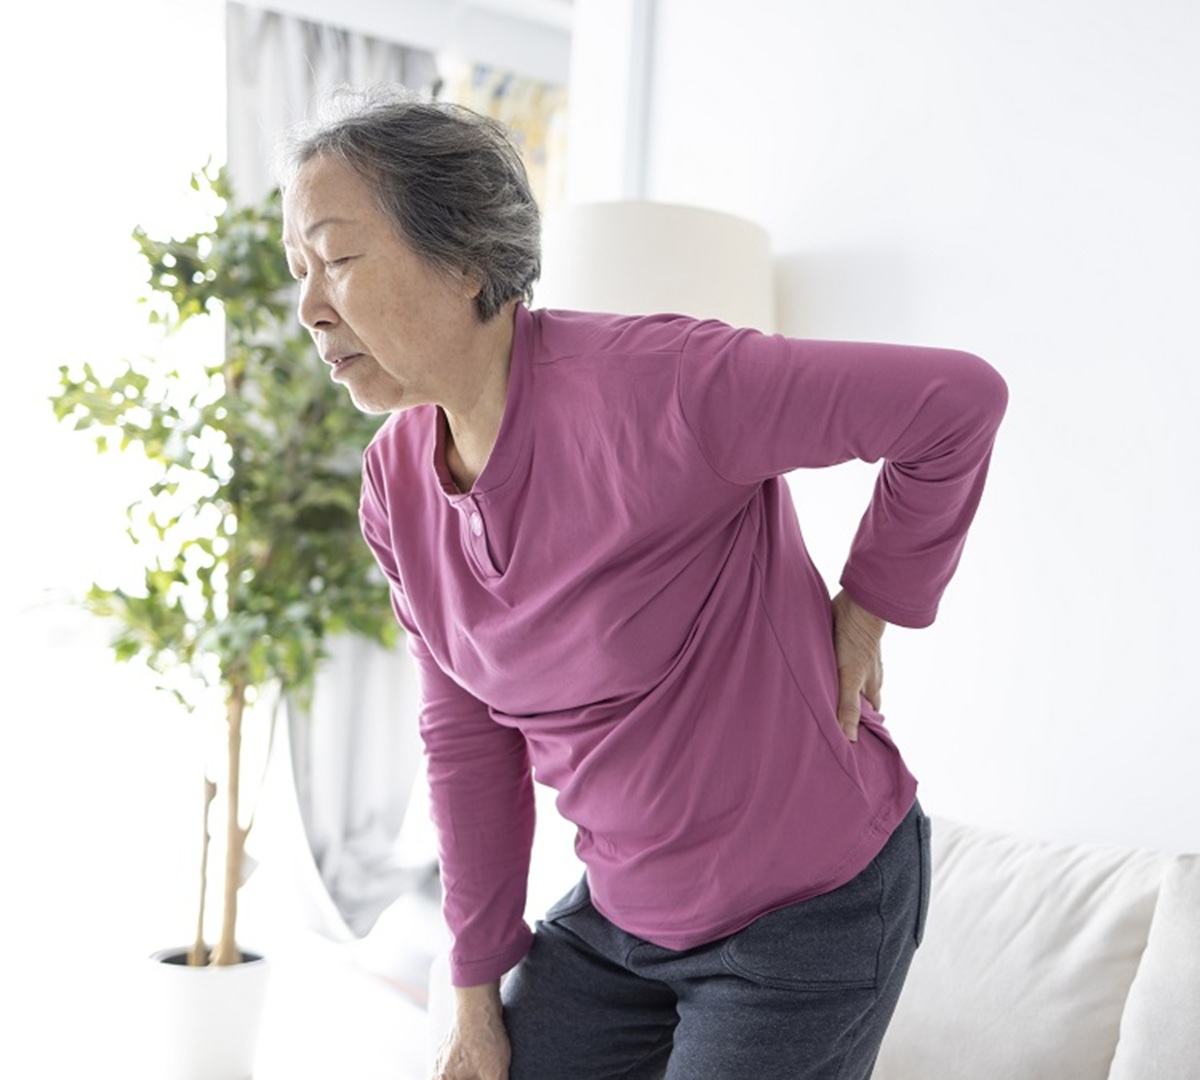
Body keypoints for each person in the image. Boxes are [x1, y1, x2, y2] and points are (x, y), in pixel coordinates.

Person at [279, 87, 1007, 1080]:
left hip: (810, 911)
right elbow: (466, 737)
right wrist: (473, 990)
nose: (311, 309)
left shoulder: (663, 386)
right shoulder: (395, 484)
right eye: (300, 273)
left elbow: (955, 405)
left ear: (463, 256)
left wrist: (869, 610)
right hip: (623, 916)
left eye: (338, 260)